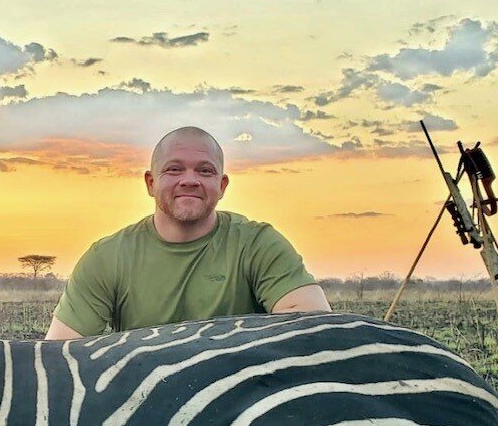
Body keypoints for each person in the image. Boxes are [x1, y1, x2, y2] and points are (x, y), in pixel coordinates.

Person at [46, 126, 329, 340]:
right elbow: (60, 352)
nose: (190, 180)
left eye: (205, 171)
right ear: (150, 183)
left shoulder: (257, 244)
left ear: (222, 185)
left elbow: (314, 329)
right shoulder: (107, 257)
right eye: (174, 169)